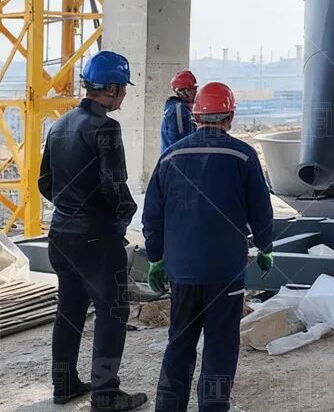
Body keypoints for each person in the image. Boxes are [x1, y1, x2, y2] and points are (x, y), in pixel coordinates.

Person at [143, 82, 274, 412]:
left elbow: (153, 214)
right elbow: (261, 209)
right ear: (230, 117)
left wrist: (155, 258)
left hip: (182, 273)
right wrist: (265, 247)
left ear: (196, 117)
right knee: (220, 347)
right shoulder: (243, 156)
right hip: (225, 273)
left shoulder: (170, 156)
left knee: (179, 344)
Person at [38, 50, 147, 411]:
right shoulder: (106, 128)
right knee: (112, 311)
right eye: (123, 89)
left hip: (61, 235)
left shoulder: (59, 125)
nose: (124, 96)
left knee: (69, 310)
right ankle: (105, 393)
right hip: (96, 238)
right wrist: (122, 218)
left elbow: (45, 182)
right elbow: (115, 186)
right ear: (111, 89)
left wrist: (70, 209)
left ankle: (64, 383)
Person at [159, 69, 197, 154]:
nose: (195, 92)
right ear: (184, 91)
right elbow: (180, 141)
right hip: (177, 159)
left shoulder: (180, 108)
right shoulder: (178, 109)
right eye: (192, 89)